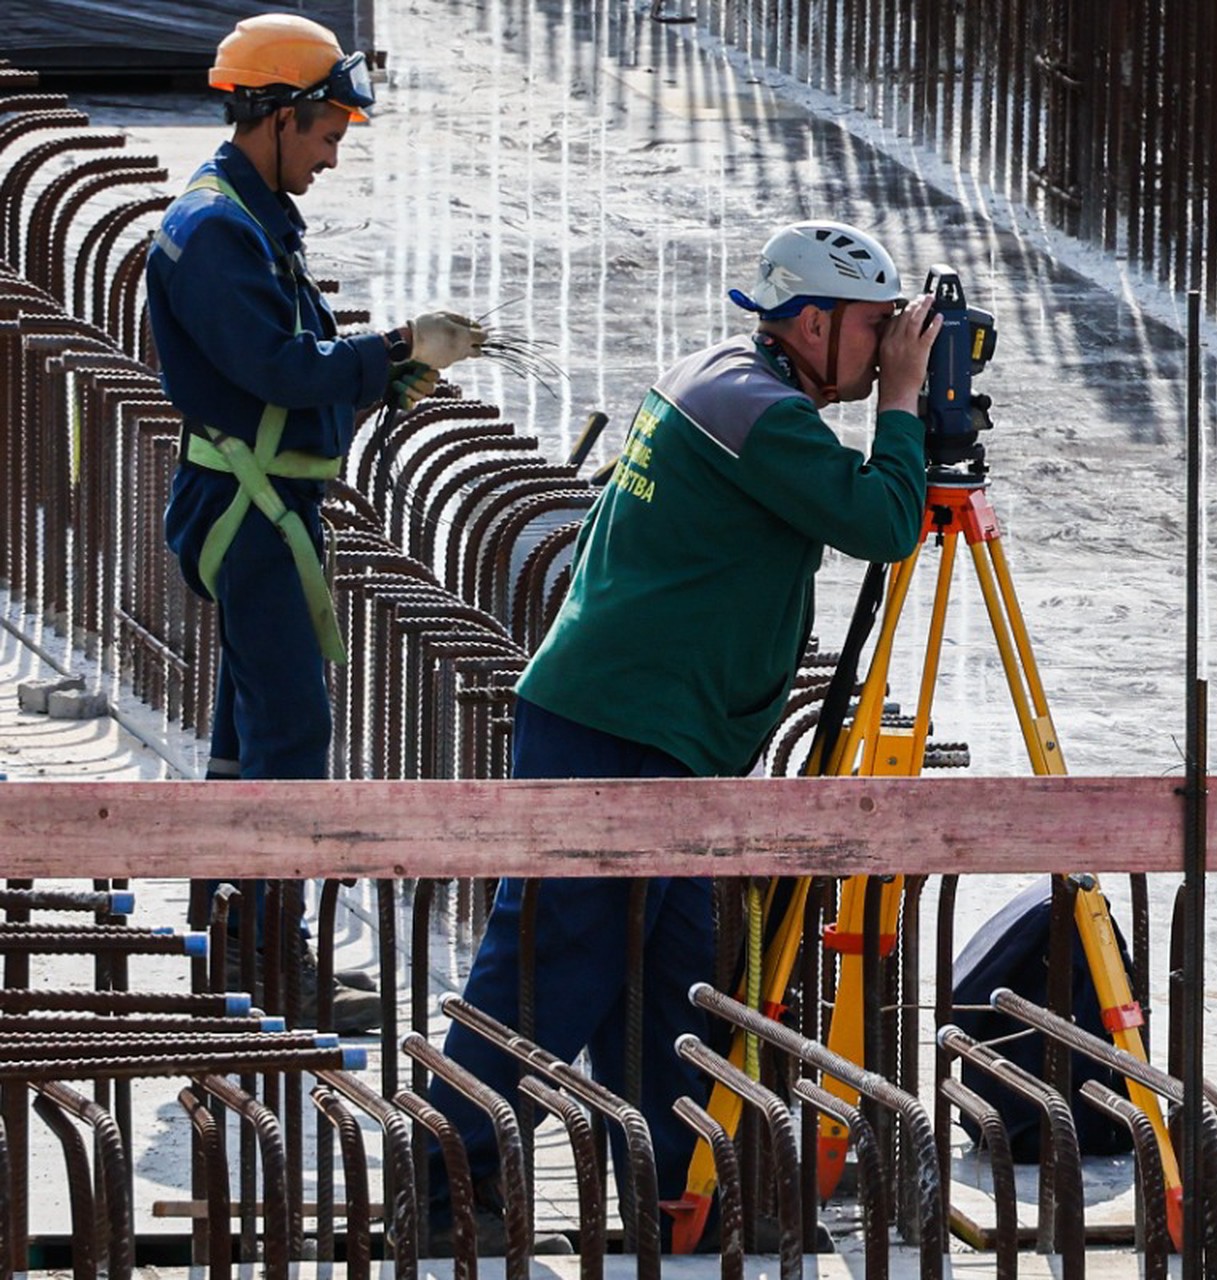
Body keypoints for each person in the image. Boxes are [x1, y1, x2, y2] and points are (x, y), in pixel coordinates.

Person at [426, 220, 940, 1254]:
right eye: (876, 328)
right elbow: (887, 523)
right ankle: (446, 1177)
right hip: (620, 725)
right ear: (809, 321)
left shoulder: (724, 379)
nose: (893, 346)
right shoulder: (765, 417)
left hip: (638, 719)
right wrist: (901, 404)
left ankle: (673, 1183)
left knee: (673, 970)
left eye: (900, 332)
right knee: (554, 953)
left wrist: (891, 387)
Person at [146, 13, 485, 1034]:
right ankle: (270, 965)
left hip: (257, 505)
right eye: (328, 132)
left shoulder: (248, 217)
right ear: (280, 116)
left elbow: (292, 369)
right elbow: (282, 371)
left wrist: (393, 372)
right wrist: (390, 348)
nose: (335, 156)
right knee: (290, 735)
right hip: (249, 517)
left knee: (247, 738)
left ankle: (230, 949)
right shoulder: (215, 232)